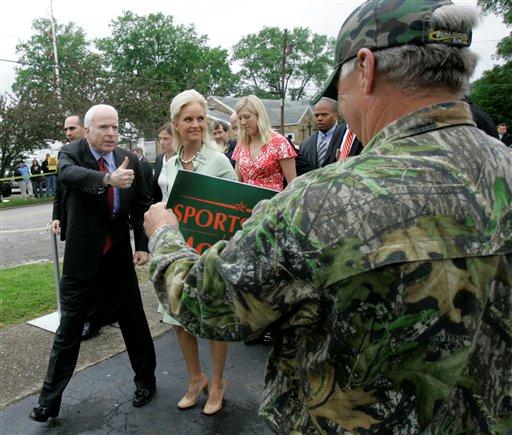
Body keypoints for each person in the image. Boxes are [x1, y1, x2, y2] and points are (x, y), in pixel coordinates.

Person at [144, 1, 512, 433]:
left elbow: (204, 302)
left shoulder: (323, 201)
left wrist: (164, 236)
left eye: (340, 88)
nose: (340, 104)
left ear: (366, 68)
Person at [30, 104, 156, 423]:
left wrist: (142, 245)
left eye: (115, 127)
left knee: (133, 320)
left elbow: (142, 203)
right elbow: (68, 176)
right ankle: (48, 402)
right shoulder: (72, 153)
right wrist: (108, 179)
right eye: (103, 127)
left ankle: (146, 381)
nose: (111, 133)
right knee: (69, 327)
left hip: (117, 255)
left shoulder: (130, 160)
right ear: (87, 131)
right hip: (82, 254)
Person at [155, 89, 236, 416]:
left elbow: (235, 209)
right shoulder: (169, 163)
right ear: (176, 123)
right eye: (188, 119)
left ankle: (217, 382)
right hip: (178, 252)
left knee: (213, 319)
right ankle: (195, 378)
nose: (196, 125)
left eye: (200, 118)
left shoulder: (218, 161)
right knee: (178, 318)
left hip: (210, 254)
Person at [52, 114, 116, 341]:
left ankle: (105, 313)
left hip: (105, 229)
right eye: (66, 129)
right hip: (80, 229)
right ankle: (88, 319)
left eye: (72, 128)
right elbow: (61, 187)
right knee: (82, 278)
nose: (68, 133)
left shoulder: (102, 155)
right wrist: (57, 216)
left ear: (85, 130)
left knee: (105, 275)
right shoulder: (68, 154)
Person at [232, 95, 297, 191]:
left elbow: (293, 185)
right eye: (240, 118)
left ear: (259, 116)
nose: (243, 122)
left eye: (247, 117)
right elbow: (237, 183)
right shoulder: (241, 145)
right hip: (245, 200)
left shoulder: (280, 143)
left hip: (272, 199)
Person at [297, 97, 362, 175]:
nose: (319, 118)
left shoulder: (346, 139)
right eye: (316, 115)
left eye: (324, 115)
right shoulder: (305, 144)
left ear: (336, 116)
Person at [152, 123, 176, 203]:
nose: (162, 142)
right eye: (160, 138)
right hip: (162, 207)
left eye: (166, 139)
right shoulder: (159, 160)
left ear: (176, 139)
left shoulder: (182, 159)